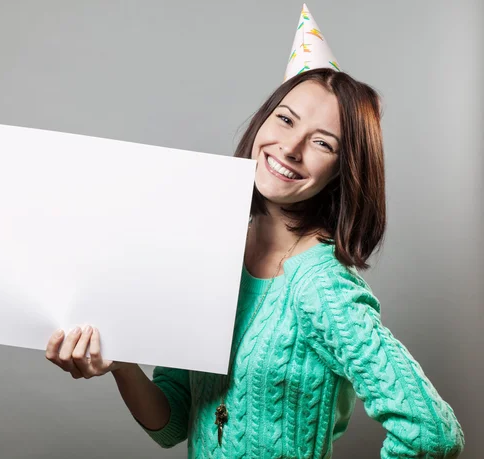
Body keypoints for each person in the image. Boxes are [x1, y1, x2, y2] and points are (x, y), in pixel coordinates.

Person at [45, 5, 465, 458]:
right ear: (264, 121)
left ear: (343, 171)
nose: (290, 146)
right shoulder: (208, 253)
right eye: (285, 119)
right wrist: (121, 364)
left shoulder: (323, 285)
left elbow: (431, 432)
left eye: (323, 142)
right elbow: (170, 424)